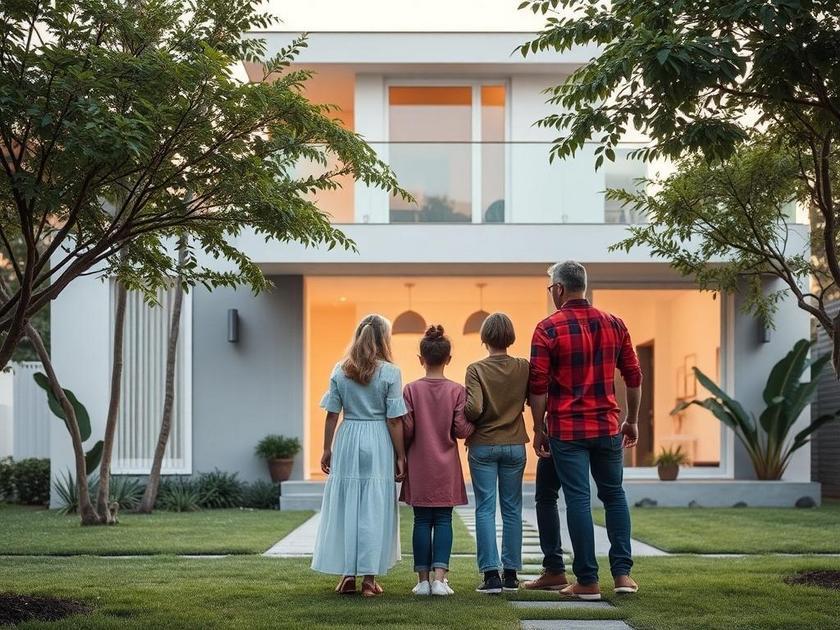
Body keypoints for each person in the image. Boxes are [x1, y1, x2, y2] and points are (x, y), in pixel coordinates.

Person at [529, 261, 641, 601]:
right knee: (614, 496)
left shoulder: (548, 329)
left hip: (568, 429)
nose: (552, 294)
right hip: (607, 426)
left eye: (551, 288)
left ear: (560, 289)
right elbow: (633, 376)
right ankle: (622, 576)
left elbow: (537, 386)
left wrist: (538, 427)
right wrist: (632, 420)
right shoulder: (614, 324)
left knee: (576, 499)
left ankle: (588, 581)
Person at [311, 314, 408, 597]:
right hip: (378, 438)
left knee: (347, 505)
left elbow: (331, 414)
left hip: (349, 436)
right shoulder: (391, 372)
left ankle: (347, 576)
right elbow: (394, 420)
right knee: (373, 508)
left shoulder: (341, 370)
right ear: (383, 339)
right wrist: (401, 455)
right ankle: (369, 580)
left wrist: (326, 448)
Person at [401, 325, 474, 597]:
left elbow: (406, 430)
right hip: (446, 467)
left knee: (421, 521)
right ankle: (440, 581)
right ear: (449, 359)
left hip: (418, 465)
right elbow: (461, 430)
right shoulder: (457, 391)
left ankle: (422, 581)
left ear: (421, 359)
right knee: (444, 519)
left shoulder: (410, 390)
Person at [465, 312, 530, 594]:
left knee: (485, 508)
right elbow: (533, 398)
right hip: (515, 445)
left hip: (483, 445)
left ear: (484, 339)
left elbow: (474, 409)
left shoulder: (475, 369)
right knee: (513, 508)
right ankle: (512, 574)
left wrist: (464, 410)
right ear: (510, 337)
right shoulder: (524, 367)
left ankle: (491, 576)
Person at [521, 455, 567, 590]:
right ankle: (620, 574)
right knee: (611, 494)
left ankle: (555, 570)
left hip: (560, 440)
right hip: (605, 437)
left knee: (547, 498)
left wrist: (540, 433)